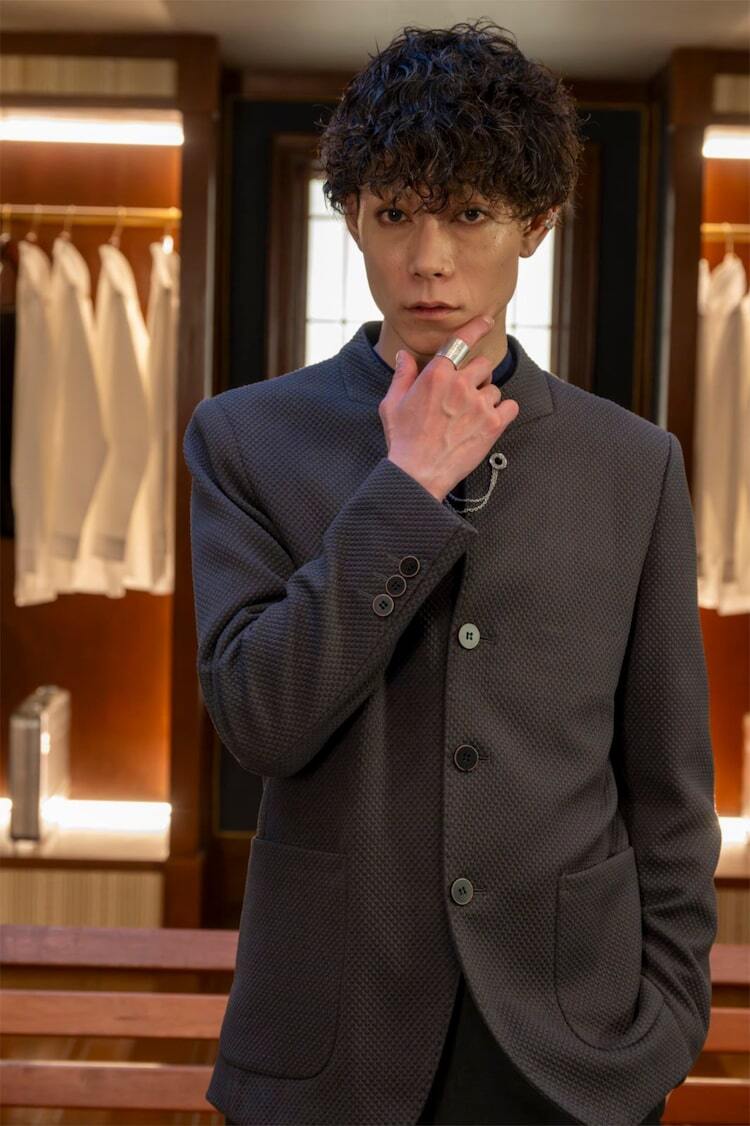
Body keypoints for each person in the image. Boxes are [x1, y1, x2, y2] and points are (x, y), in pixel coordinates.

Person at [186, 18, 720, 1126]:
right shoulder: (244, 438)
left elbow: (669, 788)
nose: (428, 257)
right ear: (353, 217)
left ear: (537, 221)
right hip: (332, 1032)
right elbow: (259, 720)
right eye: (394, 213)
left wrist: (669, 1021)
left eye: (469, 213)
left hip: (575, 1041)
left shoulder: (634, 464)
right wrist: (407, 486)